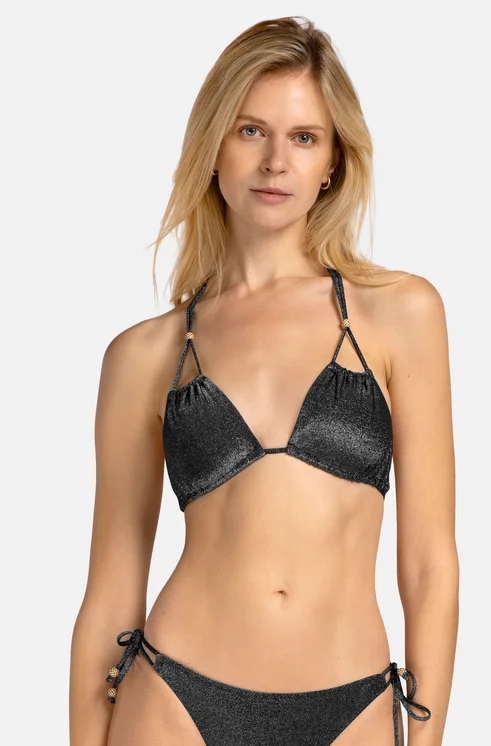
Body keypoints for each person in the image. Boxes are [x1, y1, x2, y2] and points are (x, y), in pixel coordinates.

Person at [69, 15, 459, 746]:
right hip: (173, 702)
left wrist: (426, 733)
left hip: (352, 707)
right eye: (251, 131)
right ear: (213, 146)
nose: (276, 161)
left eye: (304, 137)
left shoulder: (400, 314)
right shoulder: (143, 356)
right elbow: (109, 593)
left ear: (333, 161)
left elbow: (431, 563)